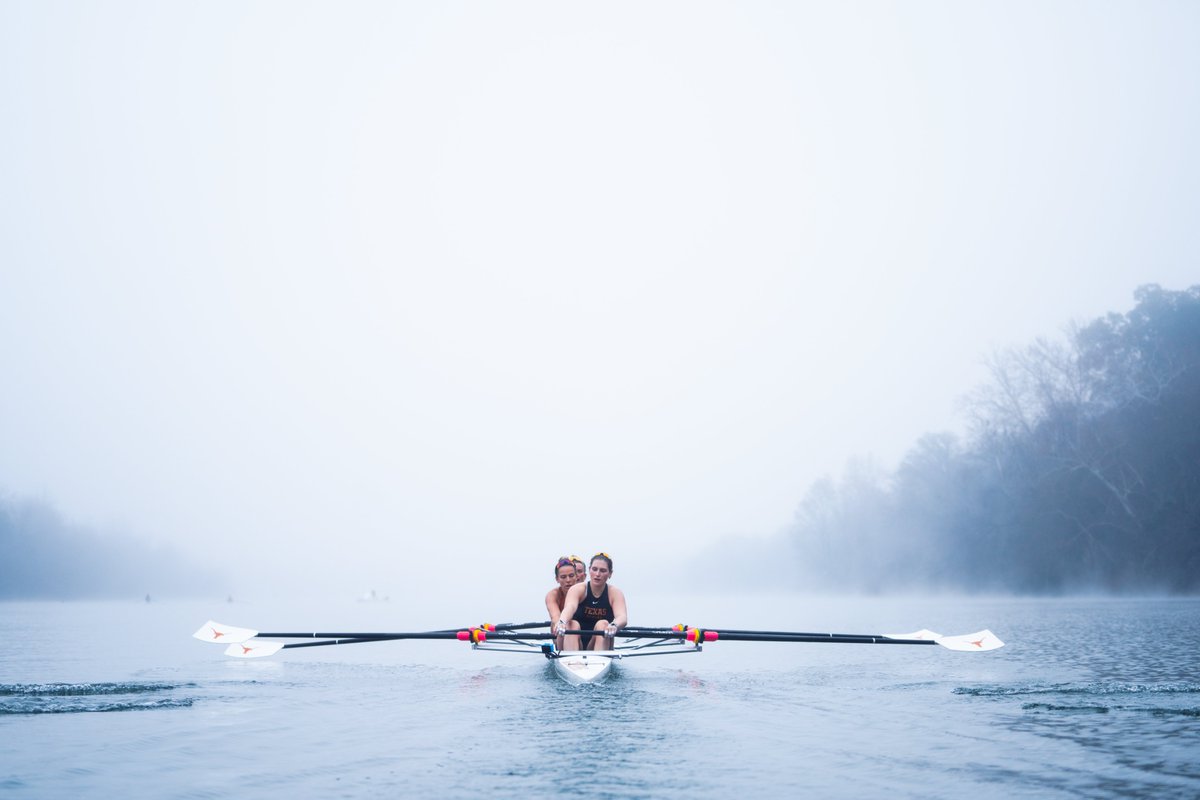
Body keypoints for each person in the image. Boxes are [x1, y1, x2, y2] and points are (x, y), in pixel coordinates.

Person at [556, 553, 627, 651]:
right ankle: (572, 660)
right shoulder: (577, 589)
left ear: (610, 573)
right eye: (594, 569)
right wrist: (562, 621)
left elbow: (622, 617)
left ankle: (599, 659)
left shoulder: (615, 593)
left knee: (603, 624)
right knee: (572, 624)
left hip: (598, 643)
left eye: (603, 571)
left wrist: (614, 625)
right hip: (574, 641)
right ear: (589, 570)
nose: (597, 574)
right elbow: (570, 607)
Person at [545, 557, 578, 650]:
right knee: (569, 624)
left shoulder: (584, 591)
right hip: (562, 635)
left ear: (577, 576)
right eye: (563, 577)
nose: (568, 580)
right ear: (557, 579)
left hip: (581, 634)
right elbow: (555, 617)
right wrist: (560, 623)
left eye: (571, 576)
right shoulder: (553, 595)